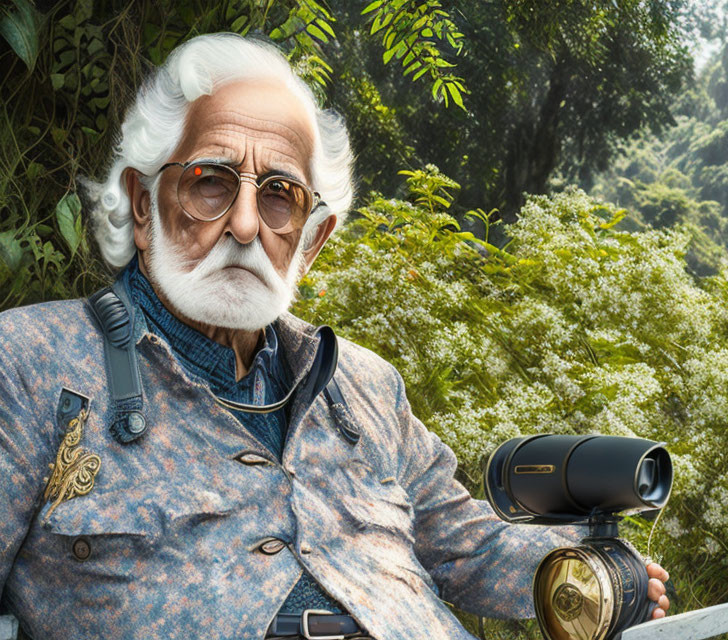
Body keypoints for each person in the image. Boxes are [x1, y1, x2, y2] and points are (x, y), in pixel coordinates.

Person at [0, 33, 669, 640]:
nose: (242, 225)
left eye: (279, 196)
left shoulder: (367, 386)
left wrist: (582, 566)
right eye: (210, 183)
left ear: (311, 241)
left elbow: (464, 546)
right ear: (144, 205)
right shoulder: (29, 365)